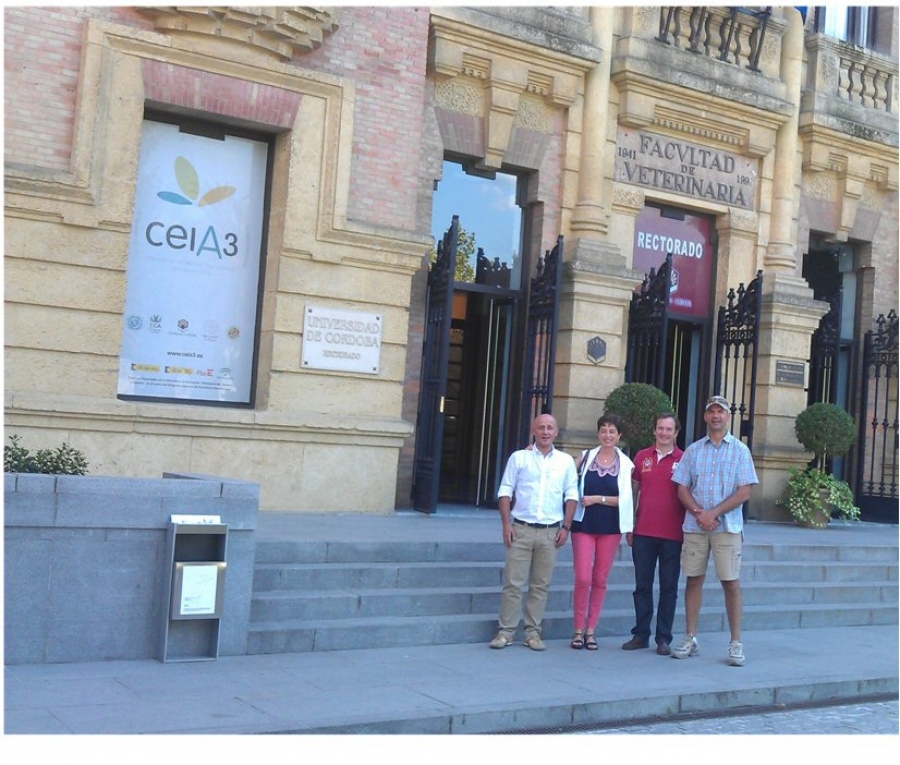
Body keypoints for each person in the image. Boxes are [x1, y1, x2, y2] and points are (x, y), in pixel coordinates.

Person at [670, 395, 759, 667]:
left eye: (720, 411)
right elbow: (682, 487)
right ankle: (690, 637)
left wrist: (714, 513)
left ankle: (735, 642)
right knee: (693, 579)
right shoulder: (694, 450)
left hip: (727, 527)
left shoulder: (740, 450)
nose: (716, 416)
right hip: (695, 526)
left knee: (730, 582)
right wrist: (699, 513)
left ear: (727, 416)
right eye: (711, 412)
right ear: (706, 417)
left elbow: (745, 490)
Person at [490, 413, 579, 651]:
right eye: (541, 427)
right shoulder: (519, 458)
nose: (546, 431)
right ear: (533, 430)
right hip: (521, 528)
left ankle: (532, 633)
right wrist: (506, 524)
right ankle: (506, 632)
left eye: (550, 427)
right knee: (513, 583)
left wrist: (567, 527)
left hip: (551, 531)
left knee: (541, 585)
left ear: (556, 432)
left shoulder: (565, 462)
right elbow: (506, 490)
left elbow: (571, 494)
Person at [621, 413, 686, 656]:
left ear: (676, 432)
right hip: (644, 532)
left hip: (673, 534)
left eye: (669, 429)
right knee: (642, 586)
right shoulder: (641, 457)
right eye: (660, 428)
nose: (664, 433)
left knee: (669, 587)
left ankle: (663, 638)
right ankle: (640, 634)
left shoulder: (684, 459)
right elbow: (633, 492)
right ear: (654, 431)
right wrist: (630, 525)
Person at [569, 413, 635, 651]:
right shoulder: (585, 457)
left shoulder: (627, 465)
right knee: (583, 578)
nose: (608, 435)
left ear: (619, 436)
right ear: (598, 433)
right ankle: (577, 629)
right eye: (604, 430)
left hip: (611, 528)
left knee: (600, 580)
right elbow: (563, 475)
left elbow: (626, 501)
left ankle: (590, 631)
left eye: (612, 431)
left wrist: (599, 499)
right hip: (583, 525)